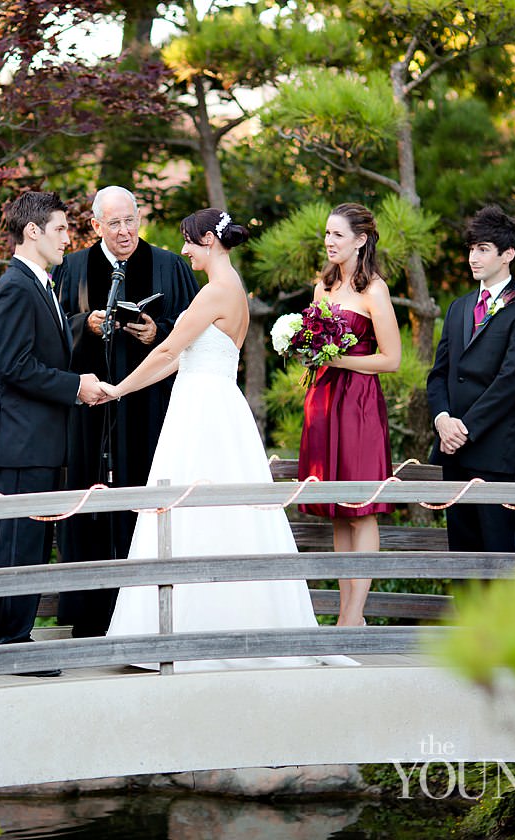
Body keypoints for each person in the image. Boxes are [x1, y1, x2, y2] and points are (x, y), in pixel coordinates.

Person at [102, 208, 355, 671]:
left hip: (202, 411)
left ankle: (187, 632)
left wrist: (116, 390)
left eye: (189, 242)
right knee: (226, 514)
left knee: (192, 509)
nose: (183, 250)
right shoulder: (234, 288)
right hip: (218, 405)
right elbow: (180, 358)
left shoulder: (213, 293)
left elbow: (166, 350)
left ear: (210, 242)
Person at [55, 186, 199, 638]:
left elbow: (196, 327)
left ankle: (149, 614)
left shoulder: (168, 265)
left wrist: (160, 330)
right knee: (89, 502)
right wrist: (86, 325)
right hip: (92, 411)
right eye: (114, 223)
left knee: (148, 496)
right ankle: (92, 612)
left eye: (130, 220)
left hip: (149, 409)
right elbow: (54, 329)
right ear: (95, 225)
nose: (124, 231)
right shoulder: (74, 267)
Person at [0, 191, 105, 667]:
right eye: (59, 229)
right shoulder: (15, 287)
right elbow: (14, 366)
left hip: (41, 442)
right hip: (24, 443)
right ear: (31, 232)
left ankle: (17, 638)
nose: (67, 238)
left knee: (33, 545)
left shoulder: (41, 284)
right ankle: (11, 644)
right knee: (20, 545)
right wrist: (77, 385)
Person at [297, 203, 399, 627]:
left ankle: (354, 614)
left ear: (360, 240)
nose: (329, 242)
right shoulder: (322, 288)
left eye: (338, 235)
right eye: (326, 234)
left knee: (363, 508)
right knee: (338, 509)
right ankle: (345, 611)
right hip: (323, 401)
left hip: (358, 403)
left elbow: (391, 359)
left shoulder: (374, 289)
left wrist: (340, 362)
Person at [426, 206, 515, 553]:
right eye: (471, 249)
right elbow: (439, 375)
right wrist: (443, 420)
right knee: (462, 556)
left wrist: (463, 430)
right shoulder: (459, 307)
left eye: (482, 249)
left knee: (500, 555)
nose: (472, 258)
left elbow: (510, 383)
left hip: (497, 453)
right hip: (454, 453)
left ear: (507, 255)